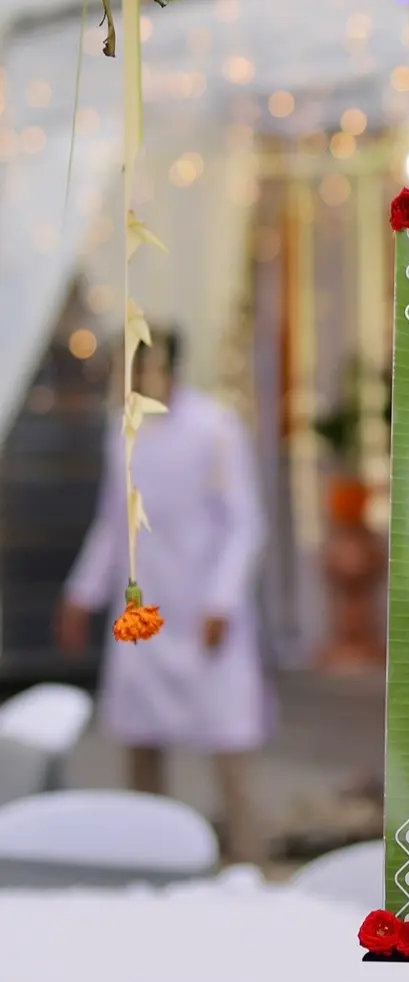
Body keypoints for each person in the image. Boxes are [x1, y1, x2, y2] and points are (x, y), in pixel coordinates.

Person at [58, 328, 270, 863]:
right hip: (144, 606)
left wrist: (221, 600)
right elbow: (114, 522)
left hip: (204, 609)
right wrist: (80, 592)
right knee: (141, 742)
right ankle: (150, 866)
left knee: (228, 747)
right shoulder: (122, 431)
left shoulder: (216, 427)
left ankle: (249, 868)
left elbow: (244, 523)